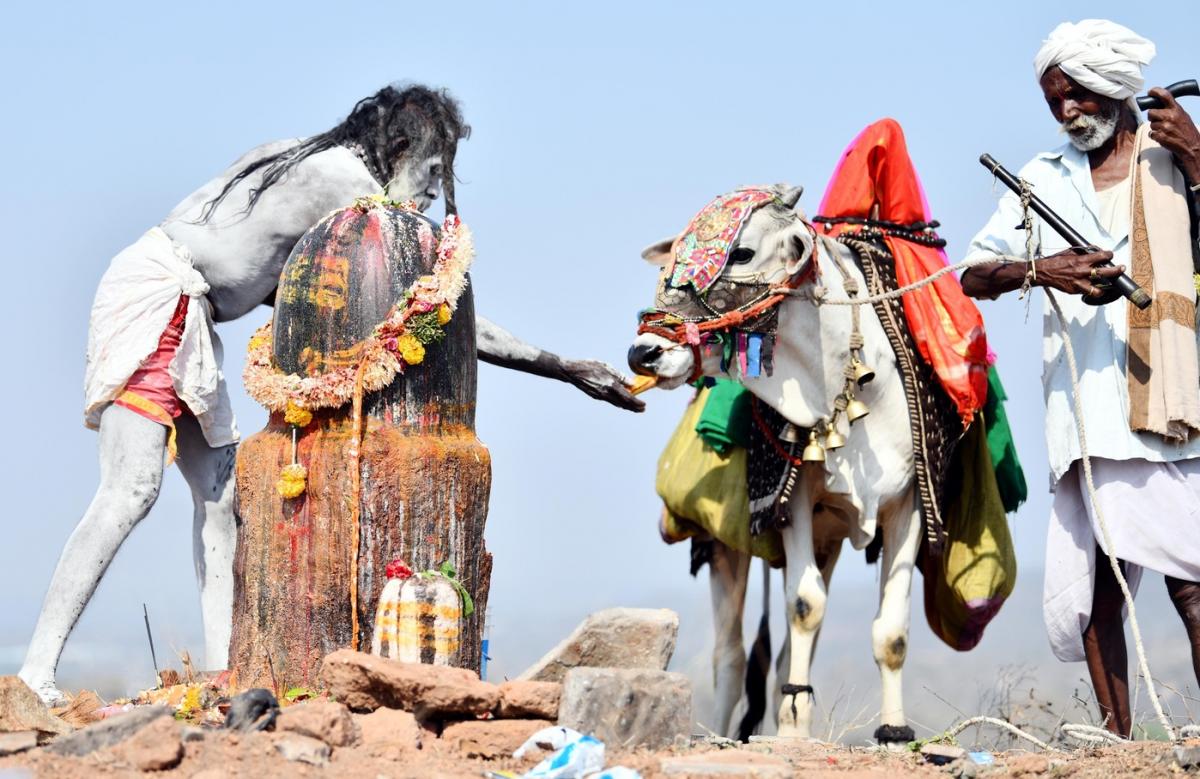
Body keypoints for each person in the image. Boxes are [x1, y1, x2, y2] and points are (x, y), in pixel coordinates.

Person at [19, 83, 642, 704]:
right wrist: (561, 367)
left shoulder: (308, 160)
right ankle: (35, 674)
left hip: (191, 310)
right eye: (430, 171)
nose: (430, 193)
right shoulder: (346, 191)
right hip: (162, 297)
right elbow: (439, 309)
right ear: (399, 148)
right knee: (130, 490)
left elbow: (277, 280)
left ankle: (222, 674)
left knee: (222, 498)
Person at [961, 20, 1200, 737]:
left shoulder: (1175, 157)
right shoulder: (1042, 178)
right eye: (1054, 101)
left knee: (1194, 583)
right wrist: (1045, 269)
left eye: (1079, 97)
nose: (1069, 113)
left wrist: (1198, 159)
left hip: (1174, 403)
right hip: (1086, 415)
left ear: (1116, 89)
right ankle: (1116, 741)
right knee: (1099, 595)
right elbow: (976, 272)